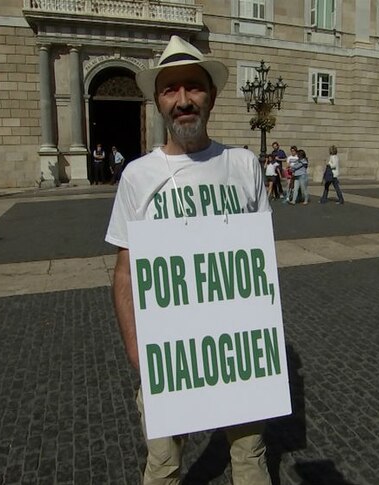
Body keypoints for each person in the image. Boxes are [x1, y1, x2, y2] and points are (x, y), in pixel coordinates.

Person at [104, 35, 272, 484]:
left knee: (250, 456)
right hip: (167, 355)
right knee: (162, 466)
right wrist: (138, 353)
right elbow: (125, 274)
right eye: (169, 90)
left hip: (237, 352)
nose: (183, 100)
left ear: (211, 96)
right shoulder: (138, 176)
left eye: (193, 88)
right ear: (158, 102)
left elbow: (258, 264)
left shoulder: (243, 165)